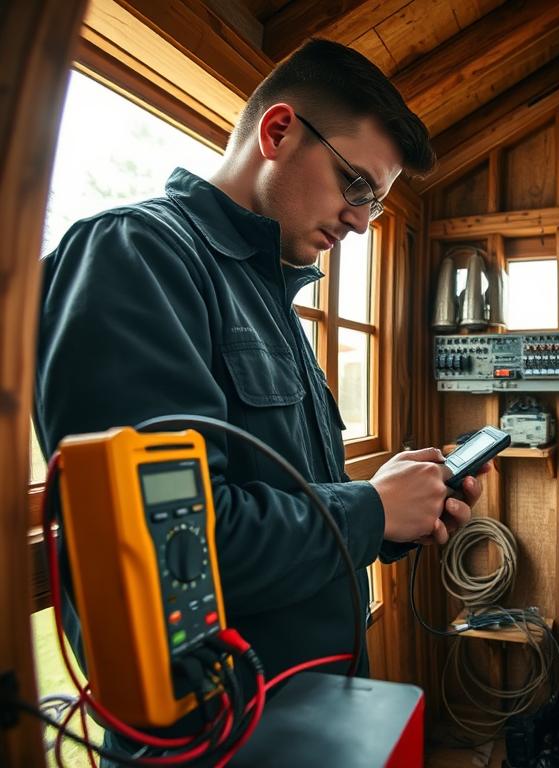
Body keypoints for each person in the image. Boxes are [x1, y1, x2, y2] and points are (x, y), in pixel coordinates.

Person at [34, 37, 484, 755]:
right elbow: (166, 556)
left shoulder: (272, 300)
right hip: (213, 741)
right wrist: (370, 508)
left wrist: (398, 515)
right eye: (357, 186)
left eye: (375, 201)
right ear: (277, 131)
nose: (363, 221)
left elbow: (288, 502)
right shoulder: (136, 256)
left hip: (310, 718)